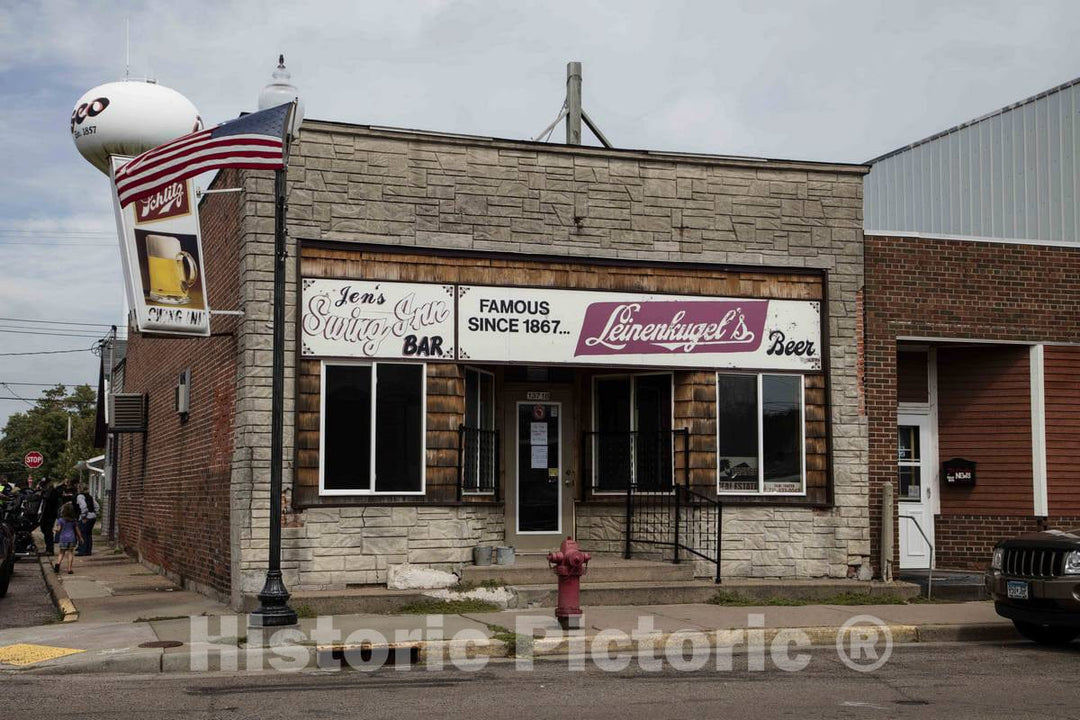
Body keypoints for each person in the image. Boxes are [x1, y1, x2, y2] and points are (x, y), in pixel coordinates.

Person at [53, 502, 81, 575]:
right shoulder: (73, 521)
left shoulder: (61, 520)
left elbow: (58, 530)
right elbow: (77, 530)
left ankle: (58, 564)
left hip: (63, 538)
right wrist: (80, 538)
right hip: (72, 538)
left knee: (61, 552)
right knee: (70, 553)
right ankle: (69, 569)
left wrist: (55, 529)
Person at [38, 479, 60, 556]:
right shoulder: (45, 491)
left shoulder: (52, 491)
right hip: (45, 514)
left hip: (49, 514)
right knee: (44, 530)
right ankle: (48, 548)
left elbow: (49, 499)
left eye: (44, 485)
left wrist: (42, 493)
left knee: (48, 531)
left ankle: (50, 549)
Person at [75, 484, 97, 557]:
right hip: (92, 516)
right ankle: (88, 550)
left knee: (82, 534)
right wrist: (94, 513)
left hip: (86, 517)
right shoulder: (90, 496)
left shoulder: (80, 496)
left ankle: (82, 550)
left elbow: (83, 506)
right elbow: (97, 506)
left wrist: (84, 516)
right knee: (89, 534)